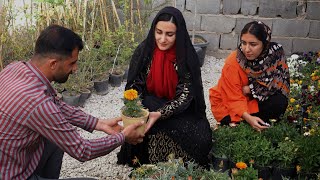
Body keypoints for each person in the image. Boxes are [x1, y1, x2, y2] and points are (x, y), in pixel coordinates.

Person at [0, 24, 145, 180]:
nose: (75, 68)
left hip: (11, 159)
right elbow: (83, 150)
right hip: (12, 175)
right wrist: (122, 137)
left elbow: (56, 105)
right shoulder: (37, 102)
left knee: (55, 140)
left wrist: (99, 123)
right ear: (53, 64)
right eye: (72, 63)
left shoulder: (15, 68)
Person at [117, 6, 212, 167]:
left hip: (177, 111)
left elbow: (185, 95)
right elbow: (134, 85)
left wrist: (160, 113)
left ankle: (175, 164)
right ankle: (151, 161)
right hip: (148, 106)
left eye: (169, 34)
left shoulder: (186, 57)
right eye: (159, 32)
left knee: (201, 139)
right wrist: (140, 110)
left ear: (179, 34)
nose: (162, 39)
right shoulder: (145, 51)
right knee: (144, 128)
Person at [209, 21, 290, 131]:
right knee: (232, 121)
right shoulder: (233, 62)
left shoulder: (273, 56)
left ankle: (247, 125)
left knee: (279, 101)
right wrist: (249, 118)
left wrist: (250, 90)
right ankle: (243, 125)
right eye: (243, 43)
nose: (247, 49)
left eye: (253, 44)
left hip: (251, 100)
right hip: (227, 104)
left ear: (264, 44)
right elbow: (233, 98)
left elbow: (276, 84)